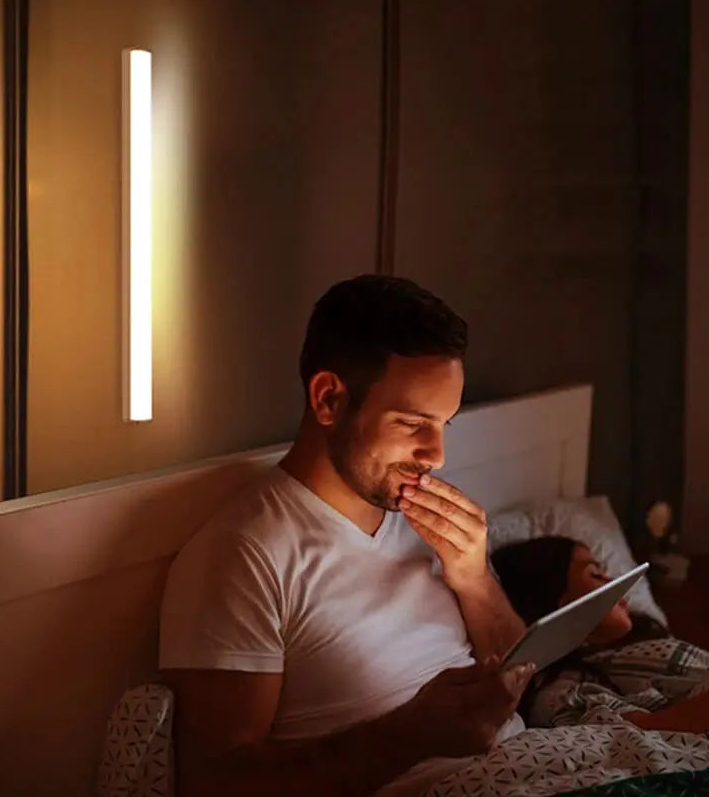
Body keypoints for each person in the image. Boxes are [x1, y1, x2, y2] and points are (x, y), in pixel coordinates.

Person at [159, 275, 533, 796]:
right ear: (329, 398)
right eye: (411, 423)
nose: (437, 456)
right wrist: (411, 735)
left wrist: (474, 580)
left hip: (533, 770)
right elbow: (218, 782)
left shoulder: (419, 509)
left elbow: (521, 673)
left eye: (444, 423)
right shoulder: (243, 554)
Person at [491, 536, 709, 733]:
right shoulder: (558, 689)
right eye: (595, 573)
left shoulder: (642, 637)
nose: (612, 581)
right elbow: (629, 734)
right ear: (555, 599)